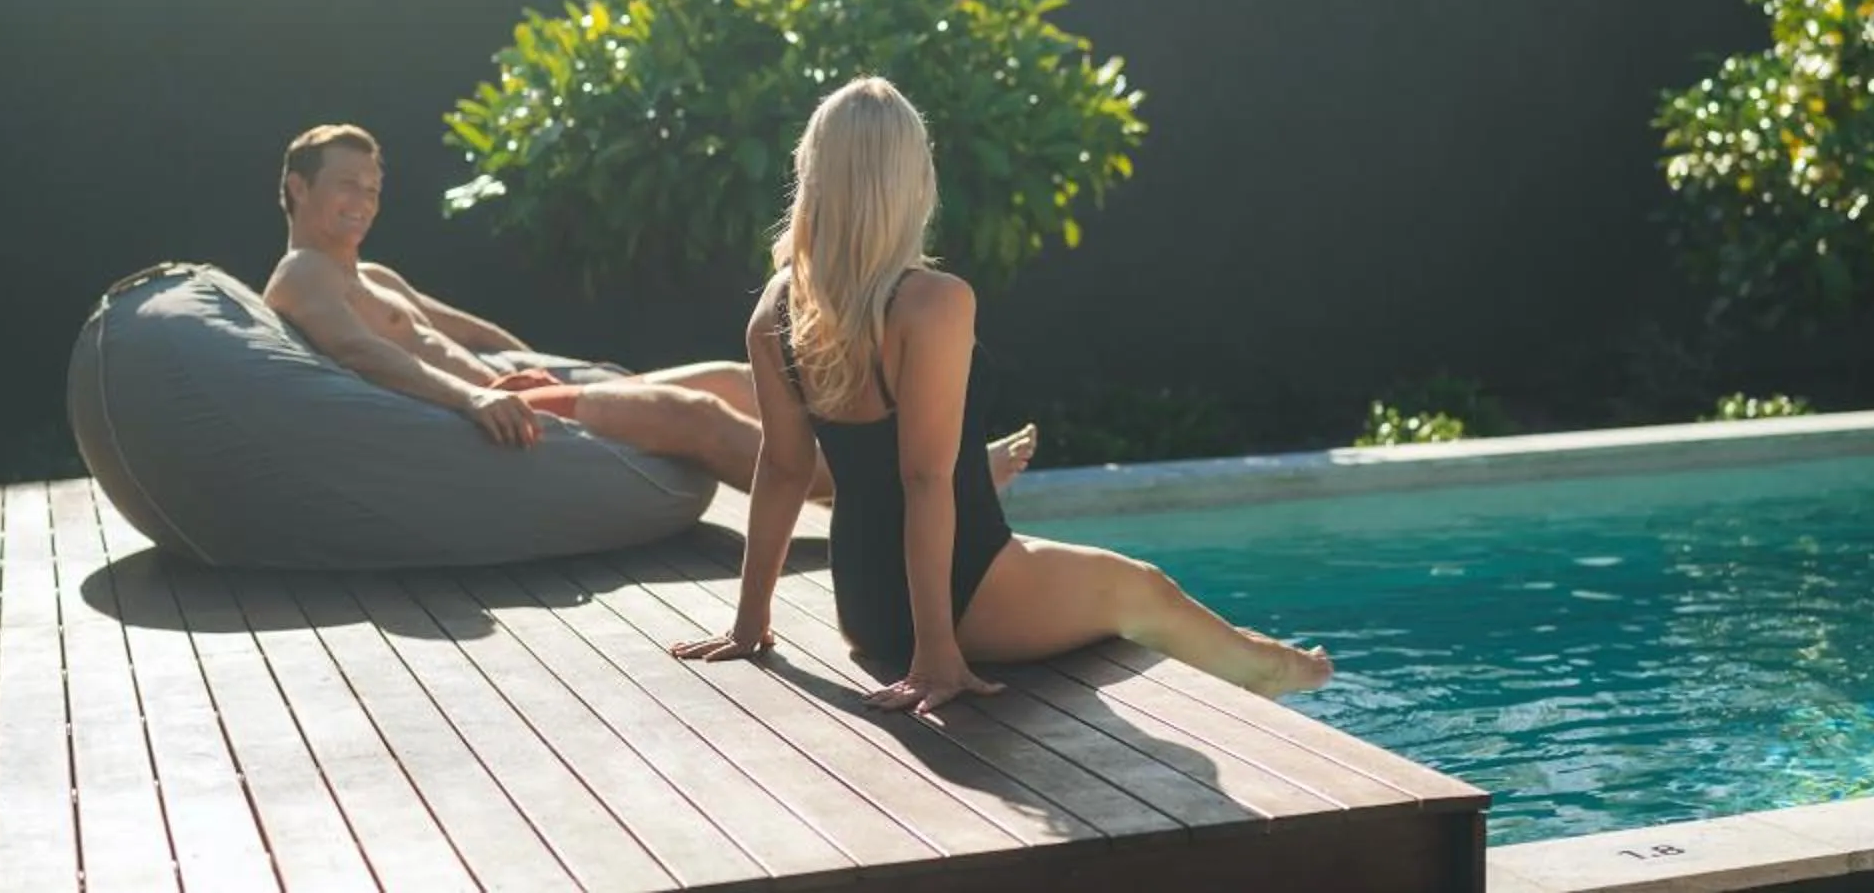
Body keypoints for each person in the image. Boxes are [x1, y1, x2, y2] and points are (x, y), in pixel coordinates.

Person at [668, 78, 1331, 716]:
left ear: (813, 174)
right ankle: (1268, 668)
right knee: (1146, 589)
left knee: (1122, 591)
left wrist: (750, 623)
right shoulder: (933, 302)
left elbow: (783, 470)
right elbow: (925, 480)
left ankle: (1251, 654)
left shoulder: (780, 305)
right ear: (911, 179)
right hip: (965, 595)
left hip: (864, 605)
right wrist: (936, 653)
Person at [261, 123, 1039, 495]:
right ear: (298, 188)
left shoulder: (373, 273)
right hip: (484, 419)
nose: (364, 199)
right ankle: (904, 487)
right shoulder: (302, 274)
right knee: (695, 415)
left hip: (519, 392)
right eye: (346, 185)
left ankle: (910, 462)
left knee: (733, 378)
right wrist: (474, 397)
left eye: (372, 186)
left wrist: (558, 370)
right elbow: (361, 353)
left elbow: (470, 331)